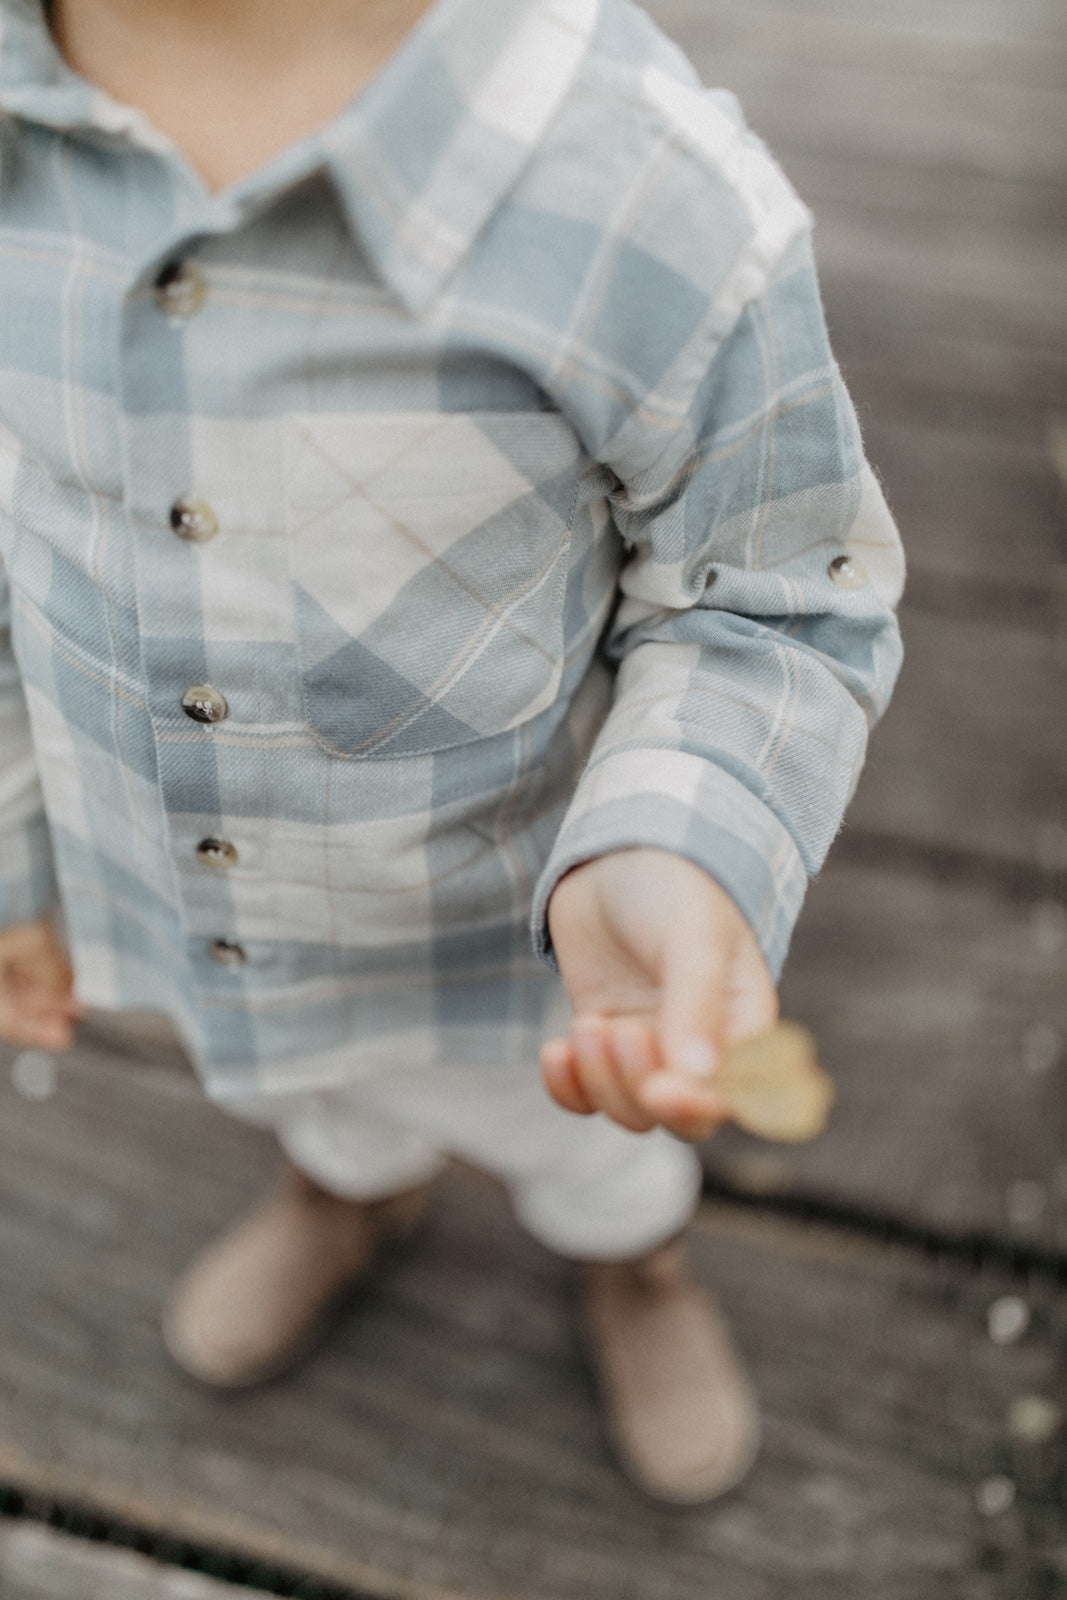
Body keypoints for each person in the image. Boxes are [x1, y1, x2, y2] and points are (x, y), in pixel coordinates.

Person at [0, 0, 904, 1504]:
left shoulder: (642, 193)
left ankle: (640, 1270)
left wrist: (676, 843)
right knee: (320, 1107)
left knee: (595, 1166)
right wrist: (16, 849)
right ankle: (348, 1198)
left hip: (524, 972)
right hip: (199, 927)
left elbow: (772, 594)